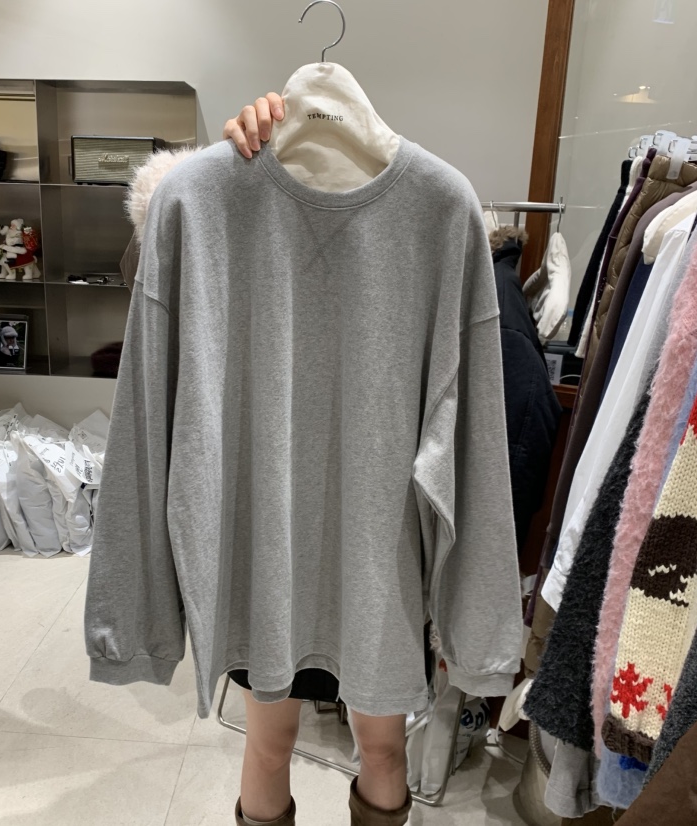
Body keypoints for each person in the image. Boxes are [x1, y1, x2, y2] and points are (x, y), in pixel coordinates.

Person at [218, 93, 413, 826]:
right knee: (270, 746)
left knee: (384, 750)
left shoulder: (430, 207)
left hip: (381, 558)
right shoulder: (226, 198)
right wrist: (223, 168)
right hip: (271, 550)